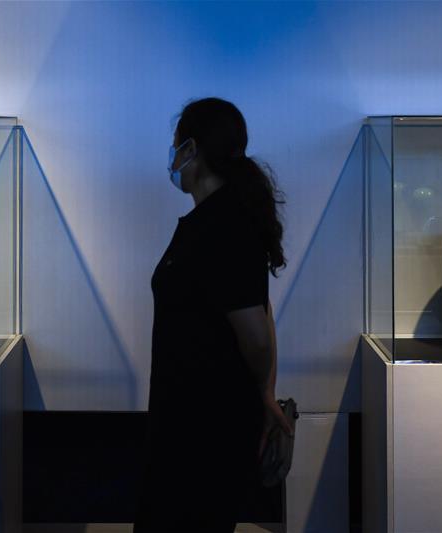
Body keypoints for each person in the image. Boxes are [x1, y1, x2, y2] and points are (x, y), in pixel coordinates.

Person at [134, 97, 295, 533]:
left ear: (192, 149)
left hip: (202, 431)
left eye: (177, 146)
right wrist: (265, 391)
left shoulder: (222, 226)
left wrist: (263, 393)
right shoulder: (217, 220)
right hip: (187, 423)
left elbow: (256, 333)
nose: (173, 157)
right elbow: (261, 311)